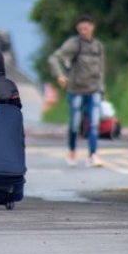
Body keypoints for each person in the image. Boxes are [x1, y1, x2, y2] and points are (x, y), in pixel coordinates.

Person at [48, 14, 106, 168]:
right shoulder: (74, 44)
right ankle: (72, 150)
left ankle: (93, 154)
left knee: (93, 123)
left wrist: (102, 90)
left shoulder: (98, 46)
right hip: (76, 90)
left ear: (92, 27)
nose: (83, 32)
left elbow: (101, 69)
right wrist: (60, 76)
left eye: (86, 28)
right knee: (75, 123)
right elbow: (54, 58)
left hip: (94, 89)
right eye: (80, 29)